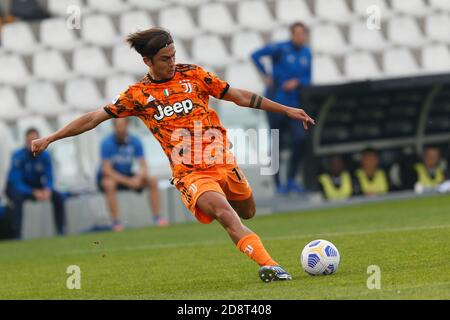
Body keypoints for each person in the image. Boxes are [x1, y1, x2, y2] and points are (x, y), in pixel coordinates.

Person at [31, 28, 315, 282]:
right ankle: (271, 266)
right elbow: (93, 118)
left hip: (223, 163)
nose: (172, 63)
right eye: (165, 59)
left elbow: (238, 96)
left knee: (247, 211)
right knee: (225, 214)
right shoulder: (138, 95)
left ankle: (229, 205)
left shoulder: (193, 75)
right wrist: (51, 137)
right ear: (148, 62)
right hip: (191, 173)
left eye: (173, 56)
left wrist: (287, 110)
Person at [251, 22, 312, 195]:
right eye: (297, 34)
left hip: (294, 106)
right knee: (276, 143)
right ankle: (278, 185)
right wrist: (266, 74)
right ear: (292, 35)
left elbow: (308, 78)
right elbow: (255, 55)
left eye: (303, 34)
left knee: (300, 139)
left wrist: (297, 82)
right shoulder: (280, 49)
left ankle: (291, 179)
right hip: (275, 104)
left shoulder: (307, 53)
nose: (300, 37)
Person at [98, 118, 167, 231]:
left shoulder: (135, 141)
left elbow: (143, 165)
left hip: (128, 174)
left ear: (127, 125)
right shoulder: (106, 143)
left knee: (152, 180)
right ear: (114, 126)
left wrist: (138, 178)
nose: (121, 129)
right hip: (112, 177)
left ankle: (157, 217)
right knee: (108, 184)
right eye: (118, 126)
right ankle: (116, 223)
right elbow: (107, 170)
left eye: (123, 125)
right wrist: (128, 181)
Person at [6, 128, 66, 239]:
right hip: (19, 188)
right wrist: (33, 192)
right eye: (30, 141)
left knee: (58, 196)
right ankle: (17, 235)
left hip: (36, 186)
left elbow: (49, 175)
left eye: (35, 140)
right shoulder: (18, 156)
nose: (33, 144)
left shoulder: (45, 155)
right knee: (17, 198)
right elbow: (16, 181)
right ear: (26, 141)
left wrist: (48, 189)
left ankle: (61, 230)